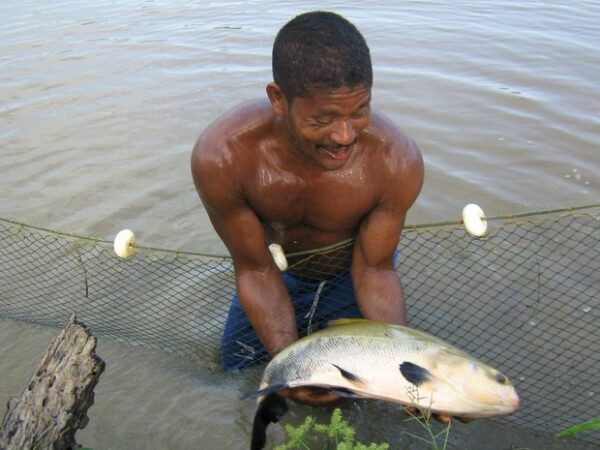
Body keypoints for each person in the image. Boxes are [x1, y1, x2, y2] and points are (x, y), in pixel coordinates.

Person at [191, 11, 423, 402]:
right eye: (324, 118)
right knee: (238, 372)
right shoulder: (223, 158)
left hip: (354, 272)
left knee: (354, 398)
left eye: (360, 110)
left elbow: (376, 269)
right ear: (278, 99)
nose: (345, 135)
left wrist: (406, 374)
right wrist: (289, 369)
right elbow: (254, 268)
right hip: (275, 273)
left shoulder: (395, 161)